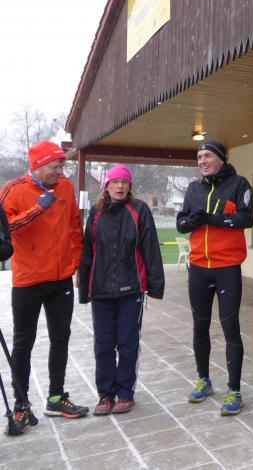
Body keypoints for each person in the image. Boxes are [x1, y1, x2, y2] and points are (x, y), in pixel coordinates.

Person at [0, 141, 89, 431]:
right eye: (55, 166)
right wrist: (37, 209)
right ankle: (21, 406)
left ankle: (56, 398)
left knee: (61, 338)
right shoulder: (13, 189)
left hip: (61, 280)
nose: (60, 171)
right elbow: (5, 230)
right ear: (38, 165)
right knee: (23, 343)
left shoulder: (65, 187)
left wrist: (75, 262)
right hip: (28, 280)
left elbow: (74, 226)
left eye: (62, 165)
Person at [176, 140, 253, 416]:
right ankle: (203, 380)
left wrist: (210, 218)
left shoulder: (239, 184)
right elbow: (181, 223)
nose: (202, 161)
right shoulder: (193, 189)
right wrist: (192, 221)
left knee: (230, 327)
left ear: (221, 158)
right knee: (200, 326)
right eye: (199, 157)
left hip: (227, 267)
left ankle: (234, 390)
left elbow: (247, 218)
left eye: (207, 156)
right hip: (198, 266)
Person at [79, 164, 165, 415]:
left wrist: (155, 285)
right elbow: (87, 252)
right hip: (101, 291)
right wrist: (84, 289)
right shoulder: (96, 213)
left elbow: (151, 248)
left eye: (124, 182)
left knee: (128, 344)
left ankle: (125, 393)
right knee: (103, 346)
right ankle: (105, 395)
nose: (119, 186)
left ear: (130, 186)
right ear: (106, 186)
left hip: (131, 290)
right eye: (115, 182)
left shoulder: (139, 210)